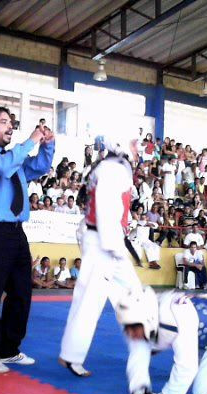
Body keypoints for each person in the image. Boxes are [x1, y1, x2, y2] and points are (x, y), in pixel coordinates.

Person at [0, 106, 54, 373]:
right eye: (3, 122)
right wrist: (30, 141)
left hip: (16, 231)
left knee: (21, 292)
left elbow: (39, 166)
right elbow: (4, 168)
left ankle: (8, 349)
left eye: (11, 122)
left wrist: (47, 146)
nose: (10, 126)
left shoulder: (13, 159)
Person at [59, 137, 143, 378]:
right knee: (89, 300)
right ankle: (71, 356)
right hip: (104, 244)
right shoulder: (113, 170)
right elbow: (107, 209)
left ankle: (143, 343)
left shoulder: (109, 168)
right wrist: (114, 246)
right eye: (135, 144)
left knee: (132, 292)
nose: (138, 149)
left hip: (105, 240)